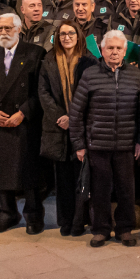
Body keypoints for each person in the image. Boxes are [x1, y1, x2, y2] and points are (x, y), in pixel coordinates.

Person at [68, 30, 140, 247]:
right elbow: (77, 113)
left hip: (126, 145)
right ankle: (101, 229)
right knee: (100, 190)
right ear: (102, 50)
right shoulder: (90, 75)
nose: (114, 52)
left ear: (124, 51)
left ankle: (125, 229)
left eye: (118, 48)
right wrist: (79, 144)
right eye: (109, 48)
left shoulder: (136, 76)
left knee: (126, 190)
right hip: (97, 145)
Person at [0, 13, 48, 234]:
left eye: (8, 28)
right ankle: (7, 214)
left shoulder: (35, 53)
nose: (4, 33)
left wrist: (24, 112)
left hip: (25, 122)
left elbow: (42, 91)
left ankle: (33, 216)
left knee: (29, 172)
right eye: (0, 29)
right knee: (2, 171)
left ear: (19, 30)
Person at [39, 20, 97, 236]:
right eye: (62, 34)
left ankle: (81, 220)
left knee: (82, 178)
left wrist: (73, 117)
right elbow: (43, 93)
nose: (66, 37)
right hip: (57, 128)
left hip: (81, 126)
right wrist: (60, 117)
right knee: (62, 179)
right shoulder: (49, 60)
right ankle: (66, 221)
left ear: (79, 35)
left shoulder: (90, 61)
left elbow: (93, 94)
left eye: (71, 33)